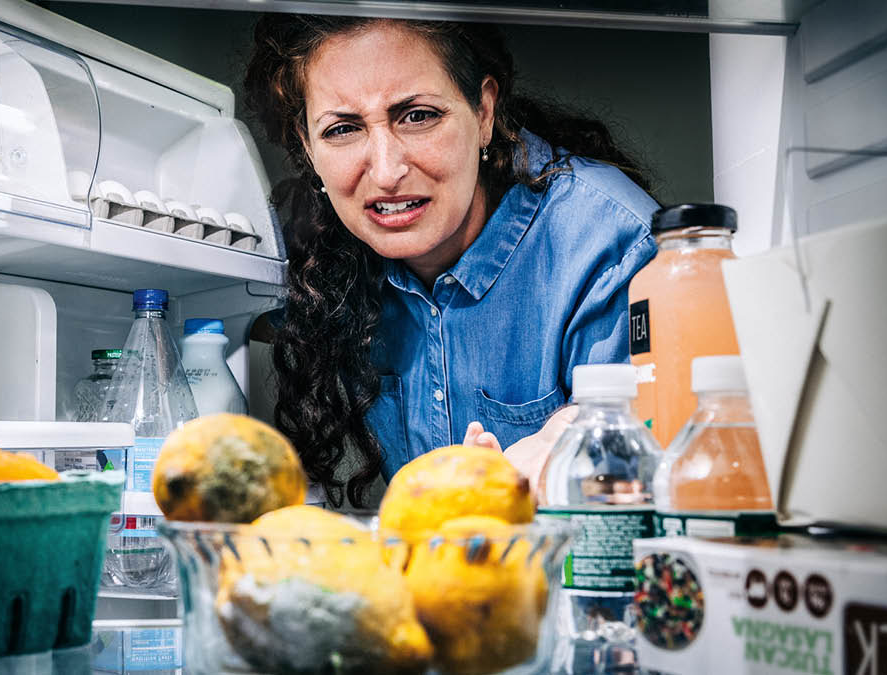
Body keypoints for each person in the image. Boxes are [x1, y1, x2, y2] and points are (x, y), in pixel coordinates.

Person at [244, 15, 658, 508]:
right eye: (342, 128)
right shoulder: (319, 254)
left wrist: (564, 457)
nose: (386, 171)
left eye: (417, 116)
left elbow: (649, 486)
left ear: (484, 112)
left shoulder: (610, 243)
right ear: (309, 146)